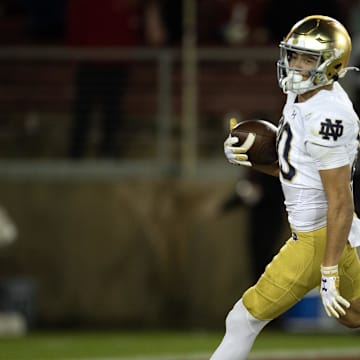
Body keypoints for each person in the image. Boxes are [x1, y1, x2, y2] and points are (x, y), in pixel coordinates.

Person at [210, 15, 360, 360]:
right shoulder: (302, 95)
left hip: (317, 238)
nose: (296, 65)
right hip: (336, 232)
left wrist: (328, 270)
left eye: (308, 59)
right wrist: (244, 158)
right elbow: (294, 171)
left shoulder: (329, 116)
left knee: (242, 320)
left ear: (332, 64)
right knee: (354, 316)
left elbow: (340, 200)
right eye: (293, 55)